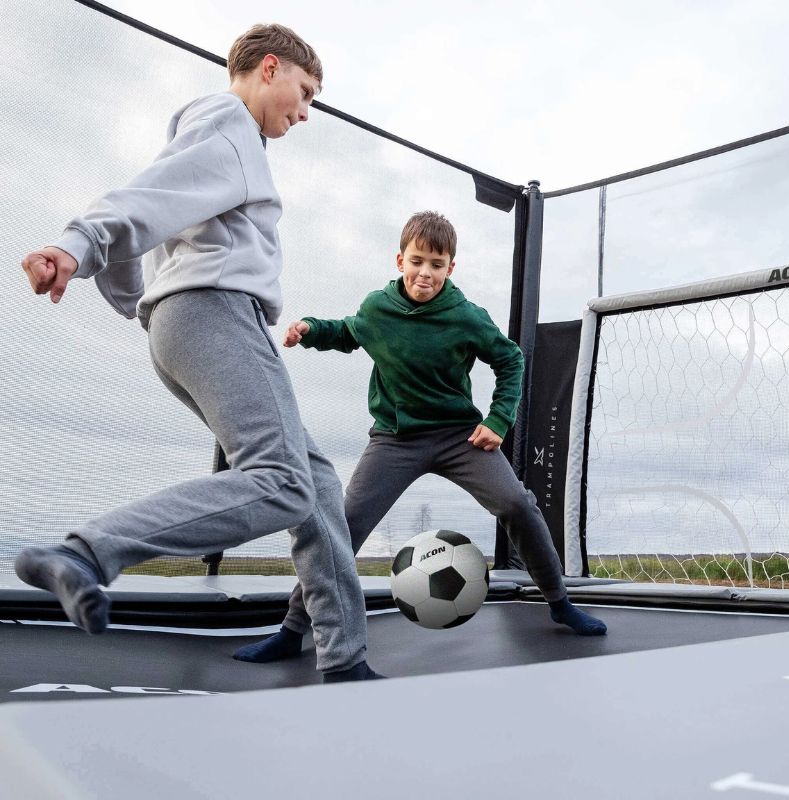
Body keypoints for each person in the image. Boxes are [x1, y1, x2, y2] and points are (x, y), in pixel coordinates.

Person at [16, 24, 381, 683]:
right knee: (286, 481)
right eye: (305, 93)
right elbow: (143, 203)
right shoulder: (231, 124)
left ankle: (345, 656)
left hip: (189, 323)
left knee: (317, 479)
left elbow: (150, 216)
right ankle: (86, 554)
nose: (305, 112)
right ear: (269, 68)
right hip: (215, 316)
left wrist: (140, 301)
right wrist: (77, 244)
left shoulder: (207, 139)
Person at [233, 210, 606, 664]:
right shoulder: (379, 308)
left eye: (436, 263)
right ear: (399, 260)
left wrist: (499, 419)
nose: (424, 272)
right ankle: (292, 629)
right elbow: (350, 331)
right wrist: (310, 330)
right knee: (343, 525)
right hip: (395, 439)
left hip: (458, 436)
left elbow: (509, 360)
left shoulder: (467, 317)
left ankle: (560, 602)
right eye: (417, 261)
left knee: (516, 503)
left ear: (451, 268)